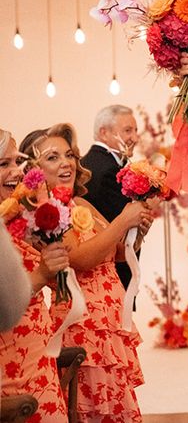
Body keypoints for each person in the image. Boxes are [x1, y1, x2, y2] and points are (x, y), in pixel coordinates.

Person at [20, 123, 152, 423]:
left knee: (115, 407)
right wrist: (122, 221)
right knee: (94, 410)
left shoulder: (79, 203)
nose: (66, 163)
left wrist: (137, 232)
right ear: (34, 170)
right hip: (82, 325)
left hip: (108, 323)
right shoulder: (44, 212)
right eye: (52, 158)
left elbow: (115, 251)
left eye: (68, 155)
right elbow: (79, 258)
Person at [0, 129, 70, 422]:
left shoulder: (14, 217)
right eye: (4, 164)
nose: (16, 171)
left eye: (17, 161)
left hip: (37, 364)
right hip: (13, 374)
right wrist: (41, 273)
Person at [81, 104, 140, 291]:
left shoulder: (88, 162)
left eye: (136, 131)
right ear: (104, 133)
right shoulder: (109, 171)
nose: (135, 138)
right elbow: (120, 228)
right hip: (111, 273)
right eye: (127, 130)